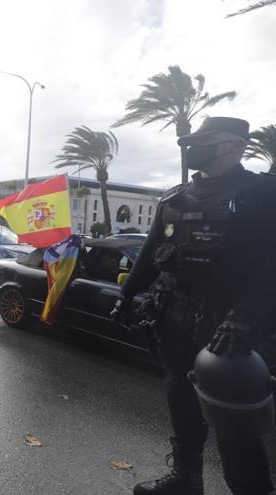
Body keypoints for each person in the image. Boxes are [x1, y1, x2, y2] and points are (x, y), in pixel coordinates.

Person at [113, 117, 275, 495]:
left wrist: (244, 318)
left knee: (235, 424)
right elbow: (152, 254)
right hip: (176, 318)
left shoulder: (262, 193)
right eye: (190, 142)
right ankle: (186, 479)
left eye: (205, 141)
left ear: (235, 146)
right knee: (182, 406)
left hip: (233, 329)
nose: (192, 148)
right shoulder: (175, 197)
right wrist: (126, 296)